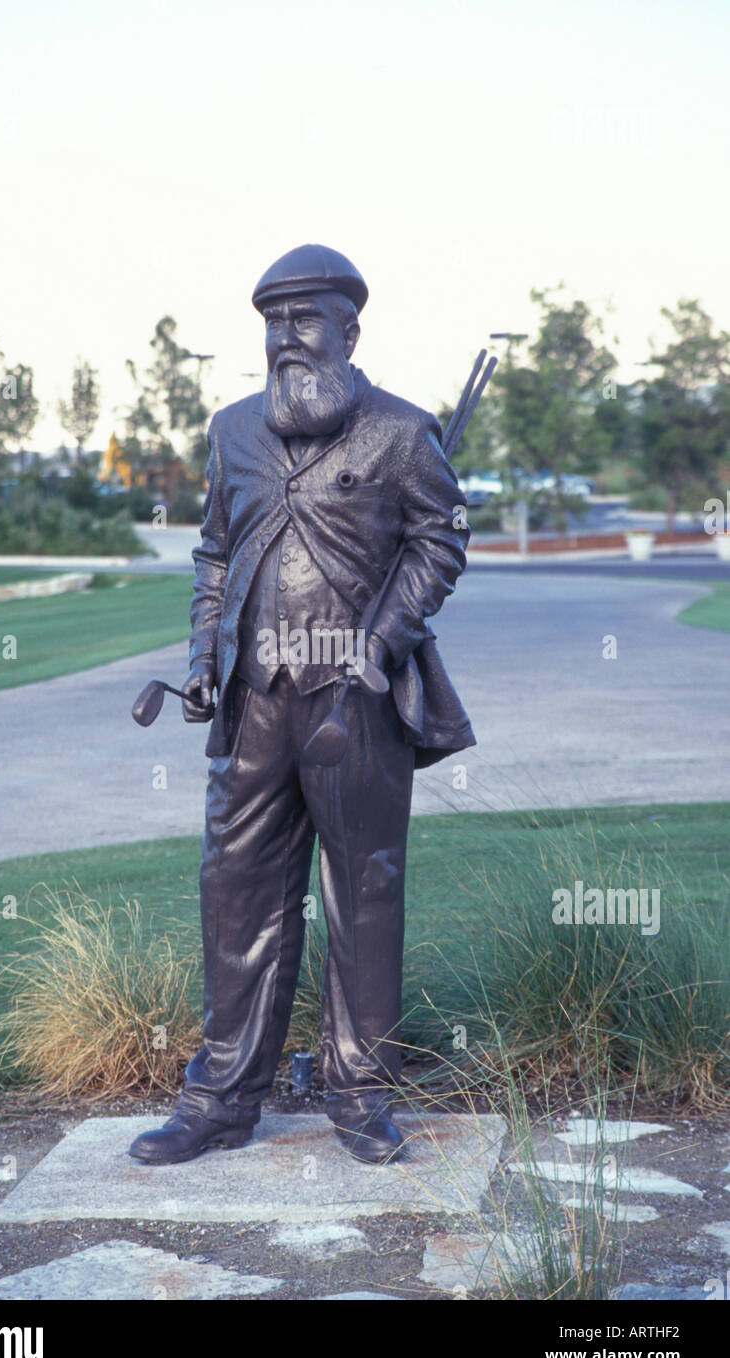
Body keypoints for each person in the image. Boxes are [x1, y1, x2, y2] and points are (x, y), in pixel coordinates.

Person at [129, 244, 475, 1166]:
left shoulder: (403, 431)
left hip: (354, 702)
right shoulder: (231, 427)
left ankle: (358, 1094)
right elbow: (214, 551)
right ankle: (221, 1099)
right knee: (234, 891)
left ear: (350, 328)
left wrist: (382, 639)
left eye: (306, 318)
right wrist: (204, 653)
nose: (287, 337)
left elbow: (440, 541)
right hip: (254, 704)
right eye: (274, 322)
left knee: (364, 893)